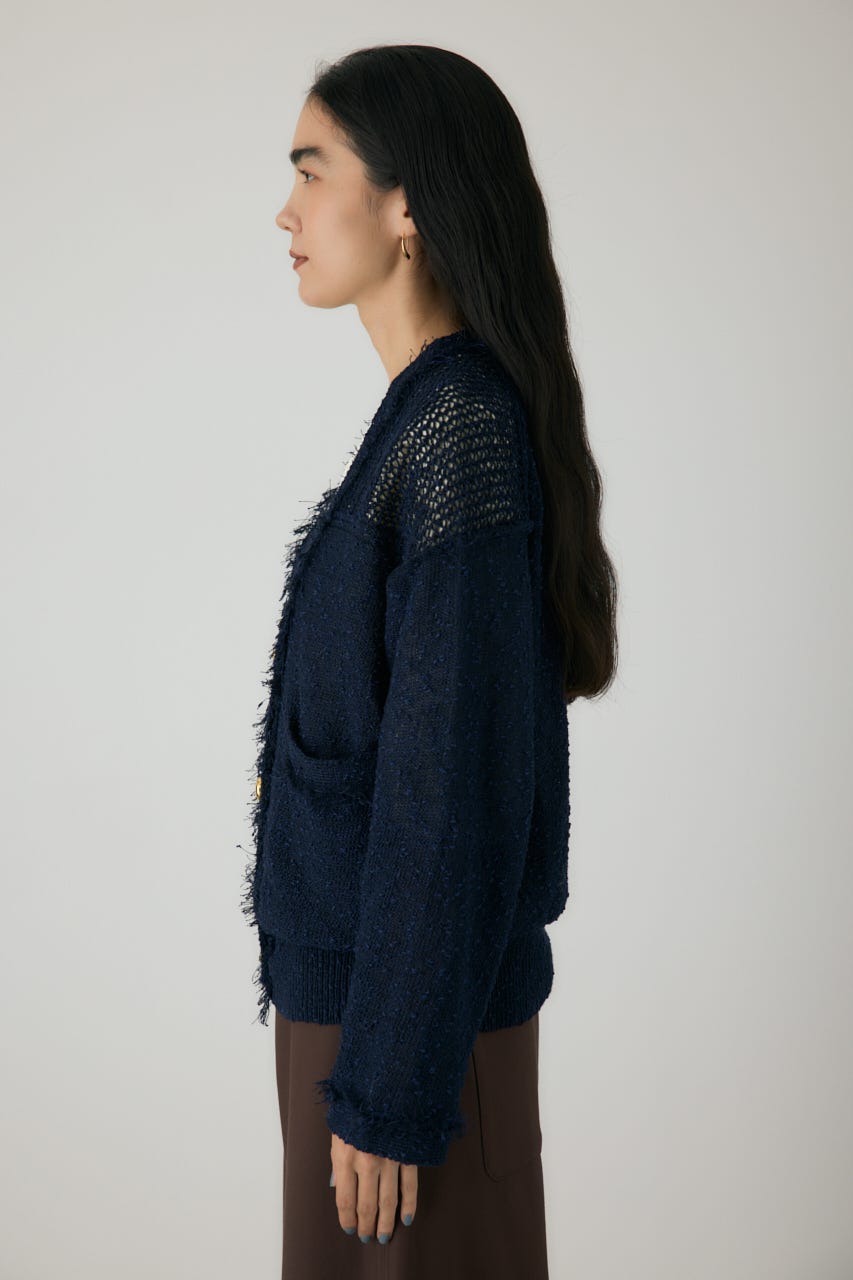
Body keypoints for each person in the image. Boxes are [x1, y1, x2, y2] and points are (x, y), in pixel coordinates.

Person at [241, 42, 618, 1279]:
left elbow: (448, 791)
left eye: (312, 172)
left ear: (405, 205)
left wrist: (391, 1087)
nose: (287, 210)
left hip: (406, 1042)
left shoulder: (459, 433)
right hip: (374, 1024)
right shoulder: (427, 419)